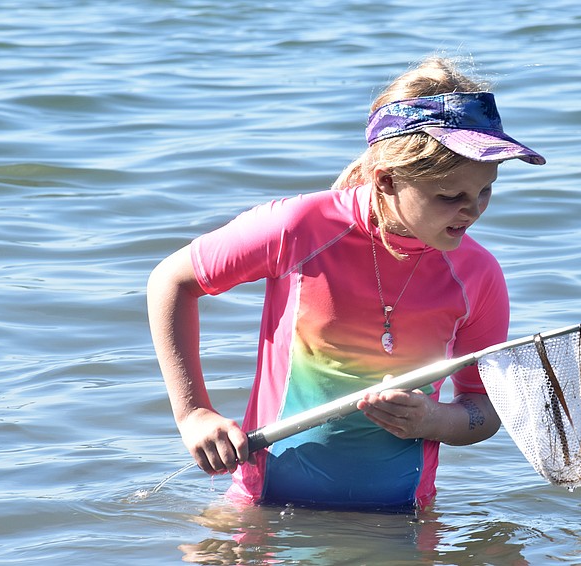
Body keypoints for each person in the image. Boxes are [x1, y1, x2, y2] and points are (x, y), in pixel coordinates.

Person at [147, 56, 545, 511]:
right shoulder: (302, 230)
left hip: (402, 522)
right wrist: (193, 412)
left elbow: (483, 410)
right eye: (450, 196)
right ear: (387, 179)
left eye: (485, 190)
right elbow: (171, 281)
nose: (473, 211)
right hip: (264, 512)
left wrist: (432, 420)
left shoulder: (478, 275)